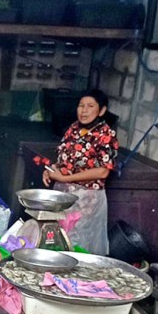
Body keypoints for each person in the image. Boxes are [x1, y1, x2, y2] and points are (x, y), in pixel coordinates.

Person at [41, 88, 118, 255]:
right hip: (64, 195)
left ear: (101, 110)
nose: (84, 110)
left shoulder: (105, 135)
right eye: (81, 105)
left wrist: (65, 178)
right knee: (58, 238)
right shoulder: (74, 128)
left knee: (78, 243)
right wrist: (51, 170)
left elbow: (103, 172)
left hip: (87, 199)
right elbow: (65, 158)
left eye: (90, 106)